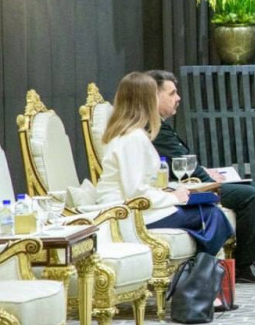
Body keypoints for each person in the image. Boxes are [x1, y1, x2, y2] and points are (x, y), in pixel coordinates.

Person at [147, 70, 255, 283]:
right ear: (154, 96)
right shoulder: (153, 128)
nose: (178, 98)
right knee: (249, 195)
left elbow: (184, 162)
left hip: (186, 183)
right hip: (178, 188)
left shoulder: (160, 125)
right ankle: (246, 265)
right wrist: (211, 182)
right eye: (172, 93)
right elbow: (183, 165)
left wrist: (207, 173)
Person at [95, 72, 234, 257]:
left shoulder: (127, 133)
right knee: (211, 214)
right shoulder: (132, 137)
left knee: (208, 209)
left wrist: (171, 194)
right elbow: (136, 192)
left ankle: (203, 267)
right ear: (147, 100)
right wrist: (173, 197)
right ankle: (203, 270)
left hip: (133, 209)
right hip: (129, 213)